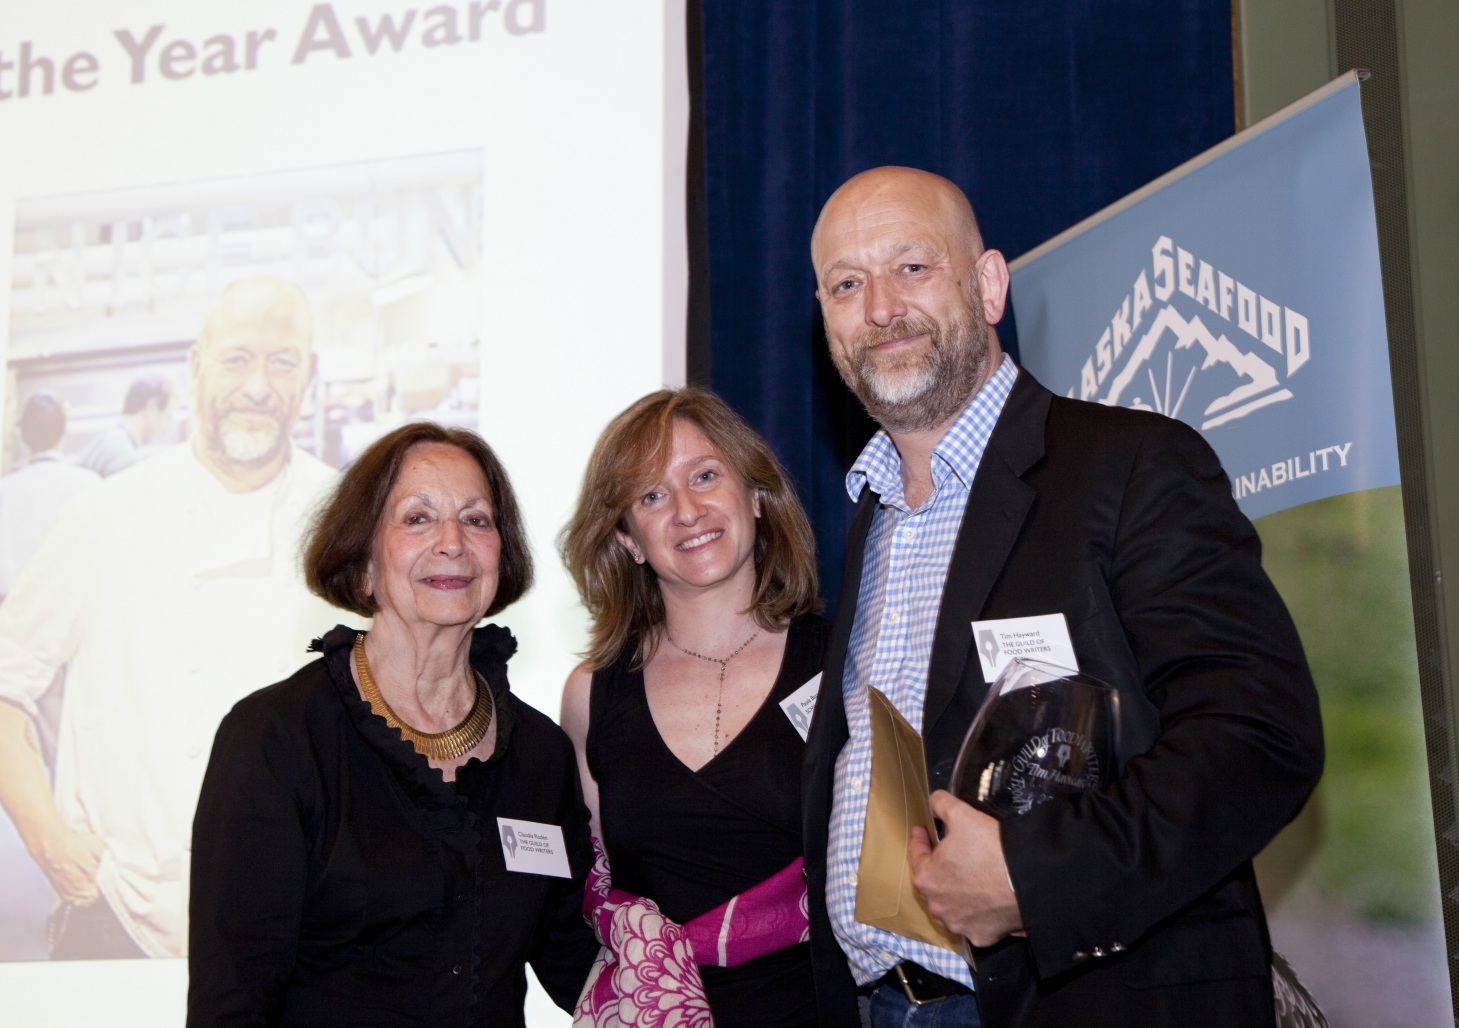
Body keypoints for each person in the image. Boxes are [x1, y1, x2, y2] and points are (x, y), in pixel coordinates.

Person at [802, 166, 1323, 1026]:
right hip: (881, 1008)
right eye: (846, 284)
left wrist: (1037, 878)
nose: (881, 308)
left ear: (988, 284)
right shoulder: (871, 523)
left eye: (912, 268)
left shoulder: (1132, 466)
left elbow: (1258, 735)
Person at [188, 421, 597, 1026]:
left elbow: (576, 960)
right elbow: (234, 1002)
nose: (452, 542)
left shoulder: (539, 755)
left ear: (501, 556)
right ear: (363, 565)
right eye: (417, 518)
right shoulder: (275, 739)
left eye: (477, 519)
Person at [0, 277, 344, 959]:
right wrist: (48, 839)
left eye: (281, 362)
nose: (257, 384)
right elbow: (7, 683)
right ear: (196, 366)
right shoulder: (107, 514)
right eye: (237, 358)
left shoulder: (351, 520)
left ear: (308, 375)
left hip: (299, 924)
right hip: (116, 913)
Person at [560, 387, 832, 1027]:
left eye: (705, 476)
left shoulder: (846, 662)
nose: (686, 511)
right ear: (628, 538)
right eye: (651, 496)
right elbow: (589, 896)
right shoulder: (589, 697)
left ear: (757, 497)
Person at [0, 392, 100, 597]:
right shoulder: (89, 485)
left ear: (23, 434)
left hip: (13, 618)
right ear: (64, 429)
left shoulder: (4, 492)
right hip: (71, 616)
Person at [76, 373, 175, 477]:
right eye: (168, 417)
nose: (166, 429)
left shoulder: (109, 440)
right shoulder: (122, 454)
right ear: (151, 409)